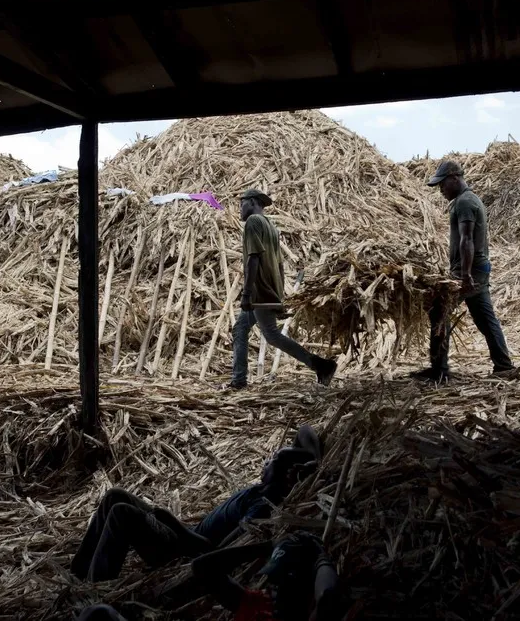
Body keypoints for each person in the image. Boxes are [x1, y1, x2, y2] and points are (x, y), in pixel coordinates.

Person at [71, 426, 323, 582]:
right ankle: (78, 575)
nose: (264, 462)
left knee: (121, 513)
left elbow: (216, 552)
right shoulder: (263, 488)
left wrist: (175, 525)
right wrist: (315, 461)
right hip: (182, 534)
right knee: (115, 494)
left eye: (270, 461)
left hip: (180, 550)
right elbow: (305, 431)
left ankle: (97, 588)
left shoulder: (262, 506)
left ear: (279, 472)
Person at [414, 160, 518, 382]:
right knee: (485, 318)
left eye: (442, 184)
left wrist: (465, 275)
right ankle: (504, 366)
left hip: (470, 271)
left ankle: (439, 370)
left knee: (439, 310)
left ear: (454, 178)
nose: (441, 190)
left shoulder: (465, 202)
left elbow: (467, 240)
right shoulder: (468, 200)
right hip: (478, 270)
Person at [228, 189, 337, 390]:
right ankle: (238, 380)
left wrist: (247, 293)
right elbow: (279, 264)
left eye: (241, 203)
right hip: (270, 290)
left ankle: (321, 365)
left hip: (259, 291)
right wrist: (279, 295)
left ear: (252, 202)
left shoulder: (253, 223)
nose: (239, 209)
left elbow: (253, 259)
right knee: (241, 327)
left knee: (271, 335)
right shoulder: (270, 226)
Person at [191, 531, 352, 621]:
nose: (273, 588)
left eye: (285, 581)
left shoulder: (310, 614)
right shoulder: (262, 605)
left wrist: (319, 557)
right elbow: (202, 567)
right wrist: (270, 546)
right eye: (275, 580)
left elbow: (328, 597)